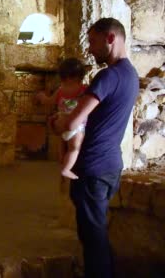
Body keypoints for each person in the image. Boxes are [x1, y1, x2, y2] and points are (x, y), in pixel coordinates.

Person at [53, 18, 139, 277]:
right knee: (96, 231)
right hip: (110, 165)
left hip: (93, 167)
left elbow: (76, 119)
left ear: (110, 39)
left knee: (93, 237)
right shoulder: (131, 75)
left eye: (92, 41)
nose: (89, 49)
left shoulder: (108, 76)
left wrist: (58, 123)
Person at [36, 58, 88, 179]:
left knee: (63, 144)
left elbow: (48, 101)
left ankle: (62, 161)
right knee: (74, 148)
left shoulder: (60, 91)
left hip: (61, 123)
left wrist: (41, 96)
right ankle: (66, 169)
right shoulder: (83, 89)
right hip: (77, 126)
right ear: (77, 76)